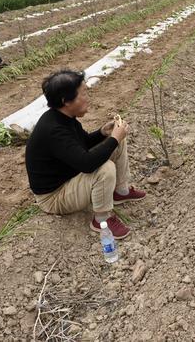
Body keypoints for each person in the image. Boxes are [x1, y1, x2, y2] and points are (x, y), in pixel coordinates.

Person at [25, 70, 146, 239]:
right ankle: (102, 220)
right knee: (105, 168)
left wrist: (103, 133)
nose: (87, 97)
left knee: (116, 142)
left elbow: (82, 144)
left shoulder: (63, 117)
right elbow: (87, 164)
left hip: (69, 176)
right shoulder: (54, 130)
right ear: (66, 101)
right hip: (54, 197)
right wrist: (114, 139)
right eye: (83, 93)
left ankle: (120, 192)